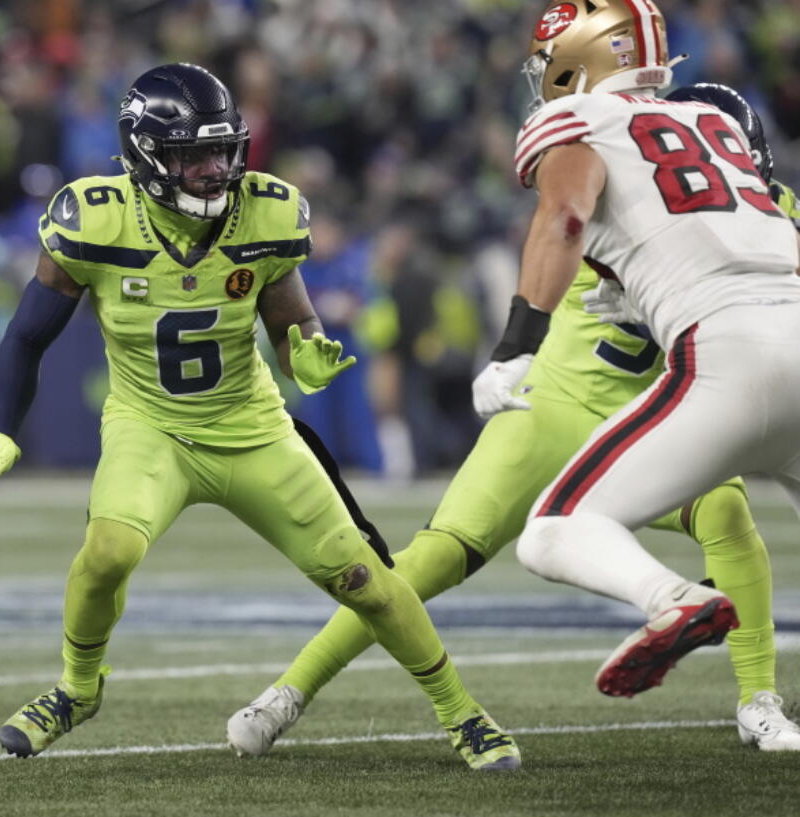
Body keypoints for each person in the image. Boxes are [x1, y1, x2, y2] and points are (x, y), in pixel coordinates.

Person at [0, 63, 520, 771]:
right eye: (193, 154)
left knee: (364, 578)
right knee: (107, 554)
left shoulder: (267, 212)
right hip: (150, 426)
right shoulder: (94, 217)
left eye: (221, 149)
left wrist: (303, 349)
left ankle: (461, 711)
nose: (214, 168)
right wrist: (2, 432)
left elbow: (292, 321)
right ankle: (76, 688)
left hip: (252, 427)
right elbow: (26, 336)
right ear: (146, 155)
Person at [227, 80, 800, 756]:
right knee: (432, 557)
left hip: (652, 411)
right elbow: (564, 224)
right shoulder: (623, 187)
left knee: (729, 518)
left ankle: (758, 700)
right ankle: (287, 692)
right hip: (551, 405)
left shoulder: (771, 214)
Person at [480, 1, 800, 706]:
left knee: (555, 530)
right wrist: (638, 296)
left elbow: (565, 217)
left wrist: (514, 346)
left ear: (585, 54)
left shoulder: (576, 121)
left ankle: (674, 597)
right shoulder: (716, 122)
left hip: (727, 357)